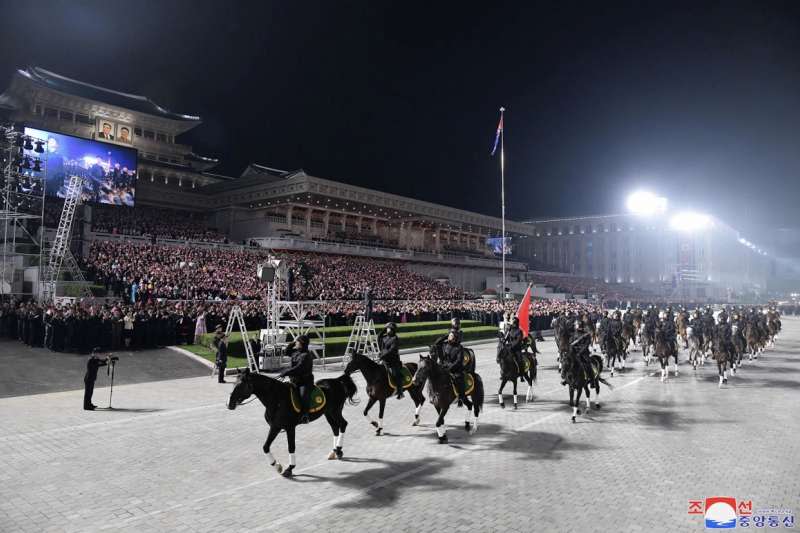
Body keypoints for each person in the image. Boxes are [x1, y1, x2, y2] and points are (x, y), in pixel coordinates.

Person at [280, 335, 315, 423]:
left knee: (303, 396)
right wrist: (293, 342)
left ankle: (305, 415)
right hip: (294, 381)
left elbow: (299, 368)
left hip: (305, 382)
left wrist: (286, 372)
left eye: (298, 341)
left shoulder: (307, 355)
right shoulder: (296, 352)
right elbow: (286, 352)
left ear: (302, 343)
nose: (296, 343)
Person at [441, 331, 470, 407]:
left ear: (454, 338)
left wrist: (450, 368)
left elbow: (459, 361)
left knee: (459, 379)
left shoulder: (459, 347)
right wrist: (445, 336)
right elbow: (437, 343)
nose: (449, 337)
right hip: (445, 367)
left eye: (451, 336)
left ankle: (461, 398)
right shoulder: (445, 345)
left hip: (456, 369)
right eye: (449, 336)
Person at [377, 322, 404, 399]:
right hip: (384, 360)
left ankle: (400, 392)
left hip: (393, 361)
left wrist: (382, 356)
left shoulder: (395, 338)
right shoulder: (384, 337)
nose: (387, 330)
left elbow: (391, 350)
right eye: (387, 328)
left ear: (392, 330)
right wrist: (384, 329)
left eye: (388, 328)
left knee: (396, 374)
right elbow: (378, 337)